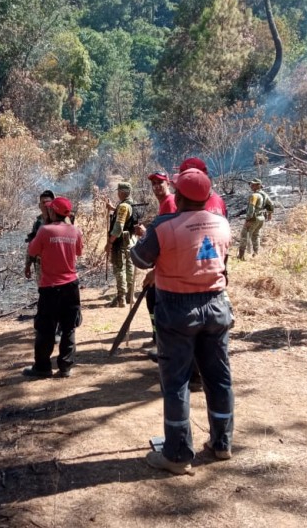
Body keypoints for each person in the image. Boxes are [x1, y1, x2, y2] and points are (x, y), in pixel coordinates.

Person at [131, 168, 235, 475]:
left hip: (177, 308)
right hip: (216, 304)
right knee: (219, 377)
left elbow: (140, 260)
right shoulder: (222, 223)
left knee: (176, 382)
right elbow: (221, 257)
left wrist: (146, 236)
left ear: (179, 195)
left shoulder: (164, 225)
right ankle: (221, 444)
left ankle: (176, 455)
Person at [23, 197, 83, 378]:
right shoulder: (75, 231)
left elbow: (32, 251)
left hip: (50, 287)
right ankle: (65, 367)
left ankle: (42, 367)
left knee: (46, 328)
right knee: (69, 327)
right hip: (71, 286)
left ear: (52, 212)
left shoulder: (44, 230)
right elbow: (79, 251)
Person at [142, 171, 177, 360]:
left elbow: (171, 239)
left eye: (160, 183)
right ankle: (158, 339)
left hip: (168, 266)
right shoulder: (164, 204)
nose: (156, 186)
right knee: (152, 300)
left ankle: (163, 345)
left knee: (156, 302)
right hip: (163, 264)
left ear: (168, 184)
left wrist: (157, 271)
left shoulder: (170, 203)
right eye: (153, 183)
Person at [106, 182, 137, 307]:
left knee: (119, 269)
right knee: (129, 268)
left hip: (120, 243)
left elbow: (118, 227)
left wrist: (109, 242)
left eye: (119, 191)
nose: (118, 193)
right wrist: (113, 208)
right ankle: (130, 296)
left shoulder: (123, 206)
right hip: (130, 241)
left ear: (122, 192)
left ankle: (121, 298)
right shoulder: (130, 204)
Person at [237, 179, 274, 260]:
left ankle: (241, 256)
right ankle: (256, 254)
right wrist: (270, 213)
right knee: (256, 235)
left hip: (254, 218)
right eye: (251, 184)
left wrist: (248, 220)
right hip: (261, 218)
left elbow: (251, 209)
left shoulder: (254, 196)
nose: (251, 186)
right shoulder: (264, 195)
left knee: (244, 235)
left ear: (258, 185)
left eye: (253, 184)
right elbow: (271, 204)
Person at [24, 189, 56, 284]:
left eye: (48, 202)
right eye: (43, 203)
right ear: (39, 206)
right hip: (40, 266)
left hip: (57, 265)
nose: (46, 205)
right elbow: (31, 244)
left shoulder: (60, 221)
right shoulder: (38, 223)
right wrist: (27, 265)